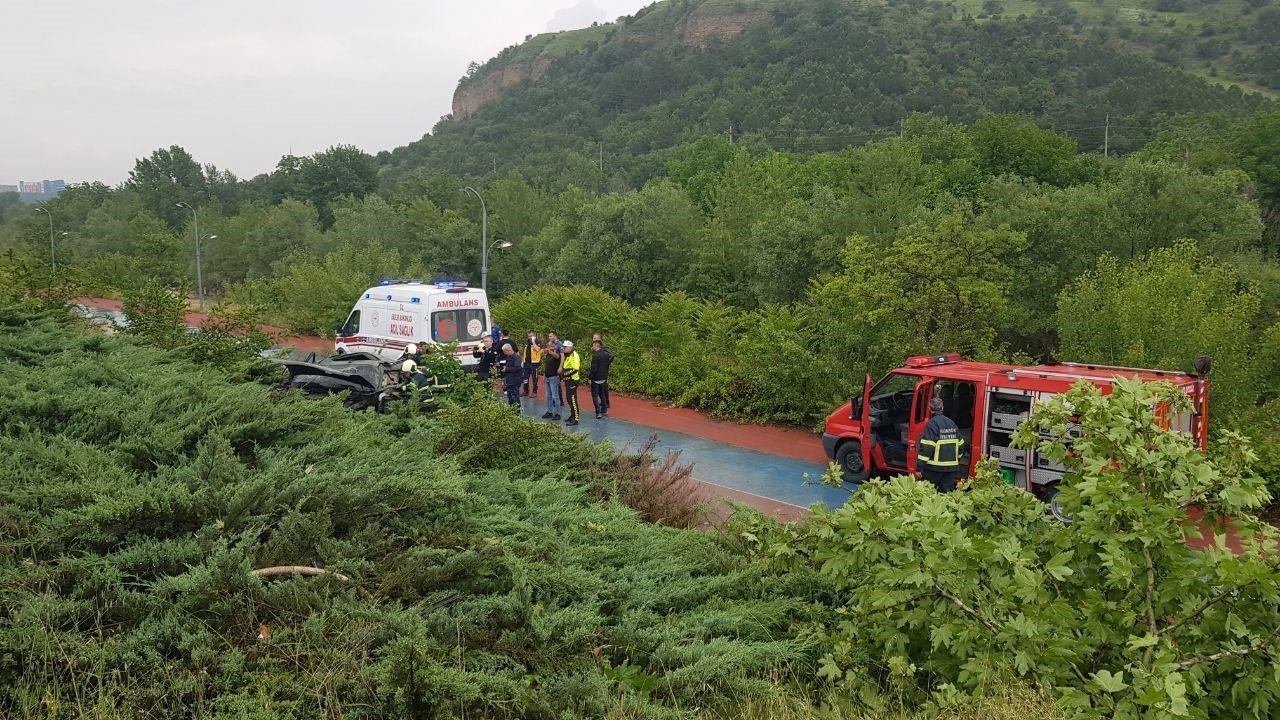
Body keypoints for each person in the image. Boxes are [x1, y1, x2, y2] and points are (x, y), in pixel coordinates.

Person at [918, 396, 966, 493]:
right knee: (947, 495)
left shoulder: (932, 424)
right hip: (951, 468)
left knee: (928, 493)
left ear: (929, 409)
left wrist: (919, 467)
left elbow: (927, 447)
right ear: (942, 408)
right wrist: (957, 459)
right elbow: (961, 444)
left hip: (933, 469)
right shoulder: (951, 423)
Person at [587, 338, 612, 419]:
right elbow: (611, 356)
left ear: (596, 345)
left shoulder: (596, 356)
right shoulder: (606, 354)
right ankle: (604, 410)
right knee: (602, 395)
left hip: (596, 379)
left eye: (593, 345)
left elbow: (594, 369)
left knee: (595, 395)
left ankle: (598, 412)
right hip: (603, 377)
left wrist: (590, 378)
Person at [561, 340, 582, 426]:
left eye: (565, 347)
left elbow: (575, 369)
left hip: (572, 380)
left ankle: (575, 418)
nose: (563, 349)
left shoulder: (574, 355)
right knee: (569, 399)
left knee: (573, 399)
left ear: (569, 347)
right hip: (568, 380)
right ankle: (572, 415)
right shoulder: (568, 355)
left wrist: (565, 374)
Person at [540, 341, 562, 420]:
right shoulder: (548, 355)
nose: (551, 347)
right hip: (548, 377)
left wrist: (549, 351)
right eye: (549, 346)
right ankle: (549, 411)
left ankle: (558, 413)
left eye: (552, 346)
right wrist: (544, 375)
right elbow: (547, 365)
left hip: (554, 377)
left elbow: (556, 356)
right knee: (548, 396)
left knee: (555, 397)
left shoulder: (557, 354)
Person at [500, 342, 523, 408]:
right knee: (510, 397)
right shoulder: (508, 357)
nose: (504, 353)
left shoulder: (516, 357)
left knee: (515, 397)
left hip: (515, 380)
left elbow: (517, 368)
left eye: (505, 351)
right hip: (509, 380)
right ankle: (512, 411)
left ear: (509, 350)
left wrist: (506, 369)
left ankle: (517, 412)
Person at [520, 331, 542, 397]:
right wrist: (523, 361)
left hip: (534, 364)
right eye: (529, 336)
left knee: (534, 378)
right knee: (525, 378)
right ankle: (526, 391)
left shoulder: (538, 341)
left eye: (531, 336)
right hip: (526, 363)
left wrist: (533, 342)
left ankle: (534, 392)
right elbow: (525, 352)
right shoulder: (526, 342)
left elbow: (538, 349)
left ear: (534, 336)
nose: (529, 337)